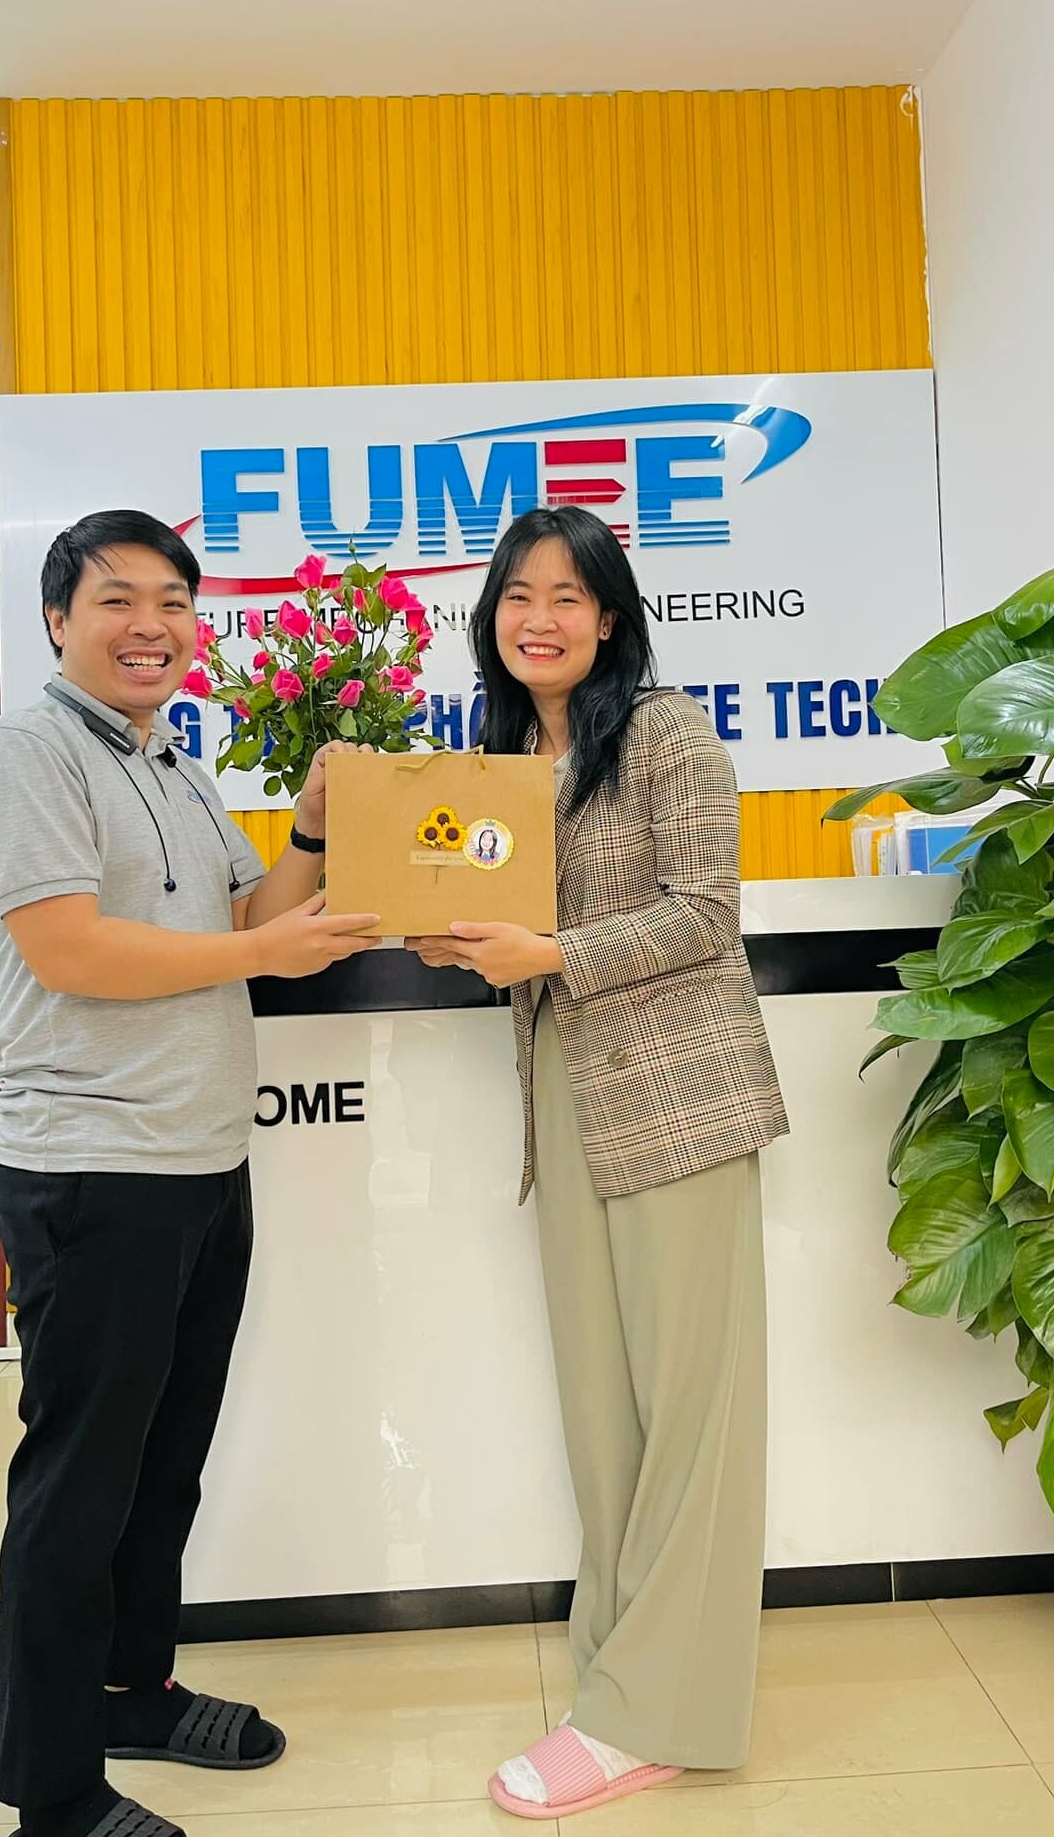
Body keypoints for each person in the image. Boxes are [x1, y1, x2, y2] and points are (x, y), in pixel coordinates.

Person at [0, 510, 380, 1837]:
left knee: (162, 1465)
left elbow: (248, 914)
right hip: (94, 1170)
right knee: (79, 1483)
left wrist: (312, 830)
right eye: (117, 600)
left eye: (174, 603)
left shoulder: (173, 764)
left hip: (200, 1160)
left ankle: (132, 1690)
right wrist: (258, 956)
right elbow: (70, 948)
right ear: (57, 621)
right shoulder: (25, 753)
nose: (151, 626)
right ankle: (52, 1791)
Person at [408, 506, 788, 1821]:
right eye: (518, 595)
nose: (541, 618)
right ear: (492, 618)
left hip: (680, 1100)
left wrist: (552, 954)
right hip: (563, 1097)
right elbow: (511, 929)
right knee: (602, 1411)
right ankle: (621, 1673)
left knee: (691, 1412)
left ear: (610, 618)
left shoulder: (667, 734)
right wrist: (470, 944)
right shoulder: (502, 757)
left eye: (568, 596)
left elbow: (707, 916)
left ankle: (654, 1716)